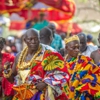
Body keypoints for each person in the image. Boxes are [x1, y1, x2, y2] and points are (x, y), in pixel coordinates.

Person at [3, 28, 69, 100]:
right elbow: (13, 79)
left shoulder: (49, 52)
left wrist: (46, 83)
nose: (33, 41)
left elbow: (62, 72)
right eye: (30, 39)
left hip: (42, 95)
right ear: (25, 40)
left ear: (39, 39)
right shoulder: (19, 56)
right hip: (22, 95)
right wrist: (7, 72)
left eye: (36, 39)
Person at [64, 35, 100, 100]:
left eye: (78, 47)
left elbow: (96, 74)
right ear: (66, 48)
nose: (77, 50)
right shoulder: (61, 63)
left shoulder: (85, 60)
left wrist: (83, 83)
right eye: (74, 48)